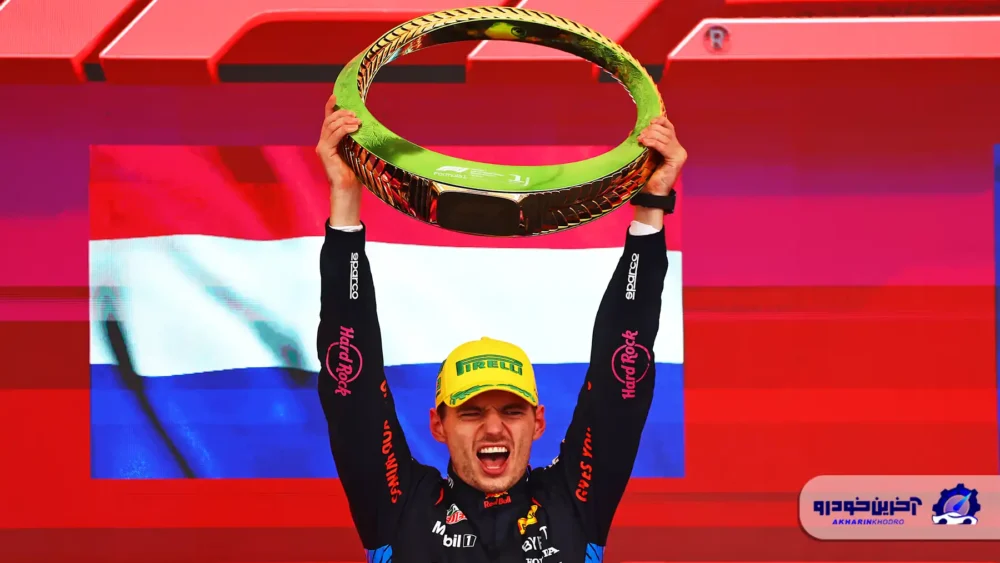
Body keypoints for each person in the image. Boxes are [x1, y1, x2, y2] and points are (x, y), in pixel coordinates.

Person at [315, 93, 686, 563]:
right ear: (439, 425)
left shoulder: (573, 502)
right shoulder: (400, 507)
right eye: (471, 412)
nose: (494, 428)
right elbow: (351, 387)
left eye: (512, 410)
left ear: (538, 422)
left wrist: (651, 204)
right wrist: (346, 195)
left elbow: (622, 375)